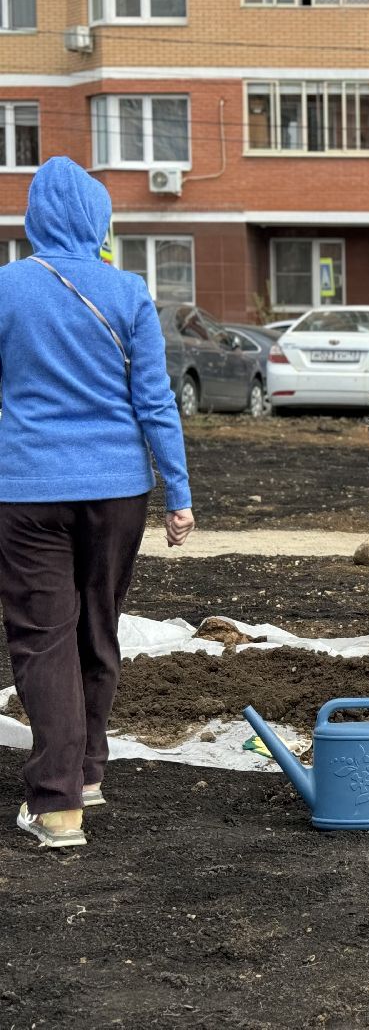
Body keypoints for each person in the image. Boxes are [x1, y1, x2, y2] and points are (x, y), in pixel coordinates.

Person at [0, 157, 194, 849]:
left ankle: (56, 805)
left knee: (42, 637)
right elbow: (155, 401)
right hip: (118, 492)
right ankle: (86, 772)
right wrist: (179, 492)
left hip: (26, 490)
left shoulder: (6, 288)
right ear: (98, 221)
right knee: (98, 626)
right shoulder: (128, 290)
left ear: (34, 219)